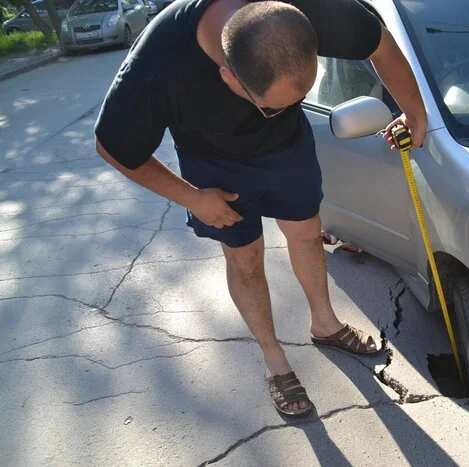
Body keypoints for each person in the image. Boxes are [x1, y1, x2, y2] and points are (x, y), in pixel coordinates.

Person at [94, 0, 427, 418]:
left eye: (300, 98)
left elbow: (377, 40)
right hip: (214, 166)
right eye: (272, 105)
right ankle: (275, 361)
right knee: (245, 258)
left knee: (307, 232)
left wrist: (415, 113)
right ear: (228, 77)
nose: (284, 109)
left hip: (288, 150)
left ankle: (325, 324)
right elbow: (112, 147)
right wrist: (193, 198)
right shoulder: (162, 60)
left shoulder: (306, 10)